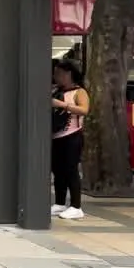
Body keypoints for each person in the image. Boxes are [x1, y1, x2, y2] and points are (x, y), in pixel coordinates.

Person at [51, 59, 90, 220]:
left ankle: (76, 206)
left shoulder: (79, 92)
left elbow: (84, 110)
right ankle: (60, 203)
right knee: (58, 170)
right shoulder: (56, 90)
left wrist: (62, 105)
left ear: (68, 74)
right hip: (56, 136)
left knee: (71, 171)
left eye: (59, 74)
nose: (56, 77)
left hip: (72, 136)